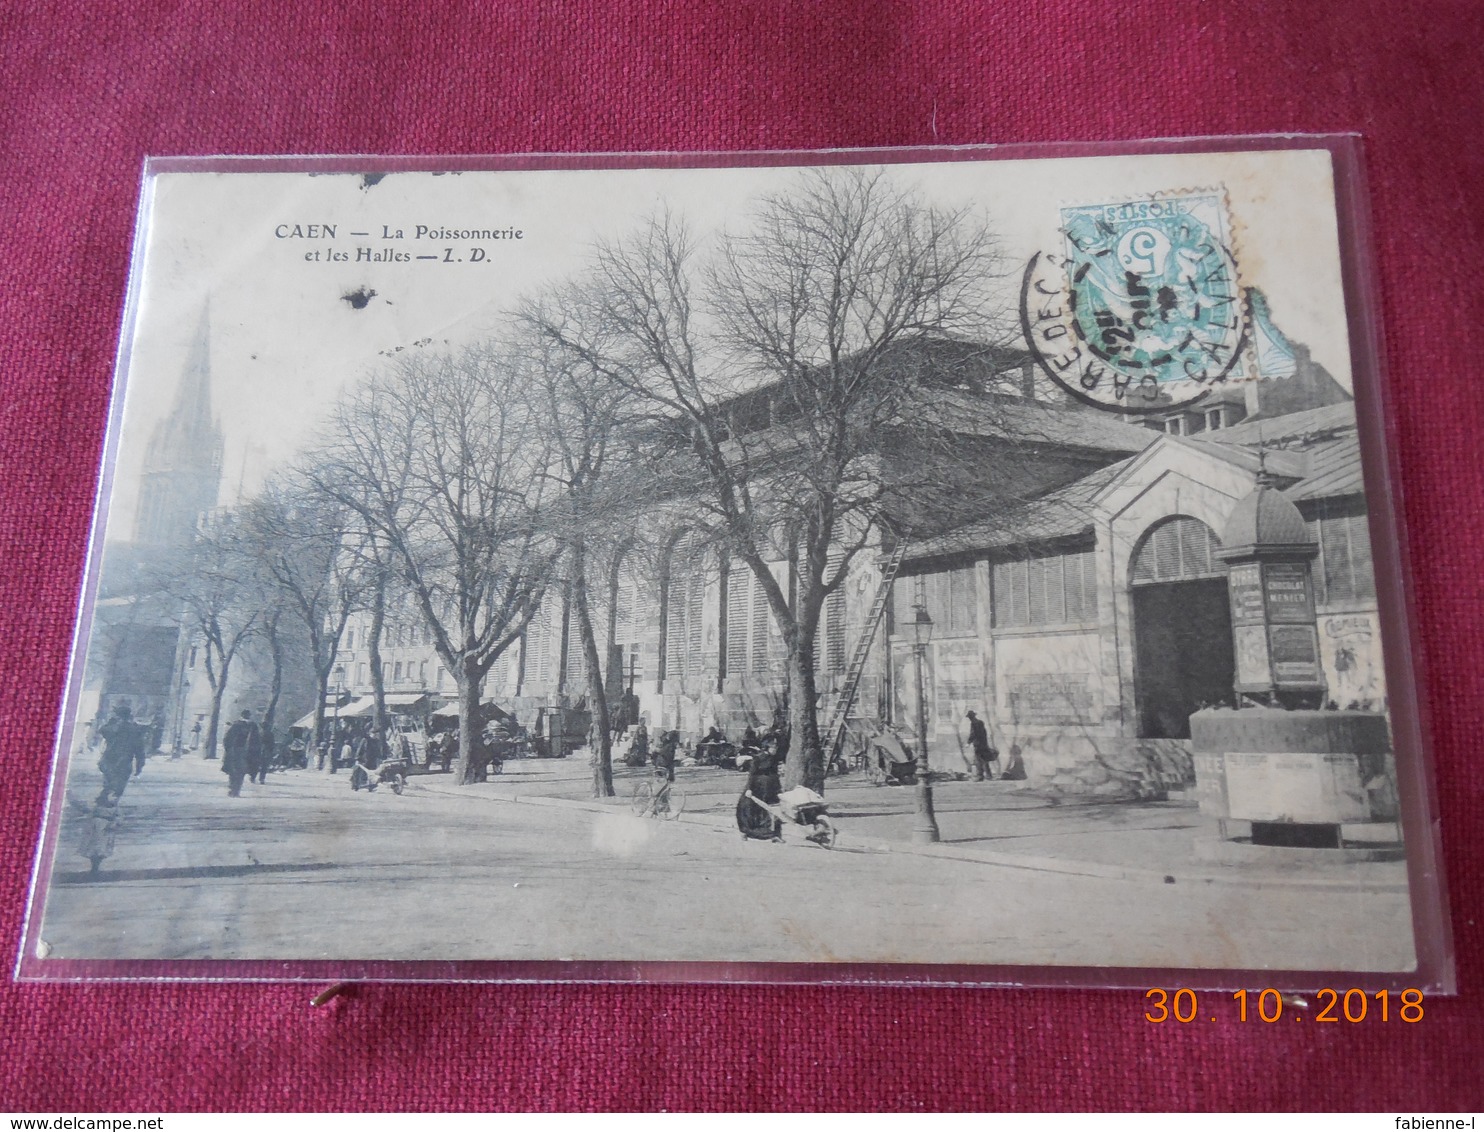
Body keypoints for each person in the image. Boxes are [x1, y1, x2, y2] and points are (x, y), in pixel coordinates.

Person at [95, 703, 144, 805]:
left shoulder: (112, 727)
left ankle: (105, 800)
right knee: (119, 785)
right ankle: (110, 802)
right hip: (124, 761)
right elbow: (140, 750)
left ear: (117, 715)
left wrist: (110, 722)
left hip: (109, 759)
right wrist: (139, 766)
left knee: (109, 782)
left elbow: (102, 731)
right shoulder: (135, 729)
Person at [736, 740, 783, 841]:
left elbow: (775, 775)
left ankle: (775, 834)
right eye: (773, 748)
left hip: (770, 788)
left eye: (776, 748)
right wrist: (749, 789)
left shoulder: (774, 759)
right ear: (767, 748)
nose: (775, 750)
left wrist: (778, 788)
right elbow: (752, 774)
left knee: (773, 810)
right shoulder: (758, 758)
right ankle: (747, 831)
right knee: (750, 809)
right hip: (757, 787)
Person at [221, 710, 261, 797]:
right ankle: (237, 790)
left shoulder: (236, 725)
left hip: (235, 751)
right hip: (248, 752)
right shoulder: (253, 726)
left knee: (233, 770)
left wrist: (228, 750)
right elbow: (257, 741)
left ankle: (232, 789)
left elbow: (227, 739)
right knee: (241, 771)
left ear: (241, 715)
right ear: (249, 716)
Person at [966, 710, 998, 781]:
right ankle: (988, 776)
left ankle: (980, 776)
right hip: (983, 744)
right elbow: (984, 733)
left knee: (979, 761)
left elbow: (973, 734)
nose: (970, 718)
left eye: (969, 717)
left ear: (971, 717)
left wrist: (968, 742)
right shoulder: (981, 722)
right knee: (984, 760)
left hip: (978, 745)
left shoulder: (973, 724)